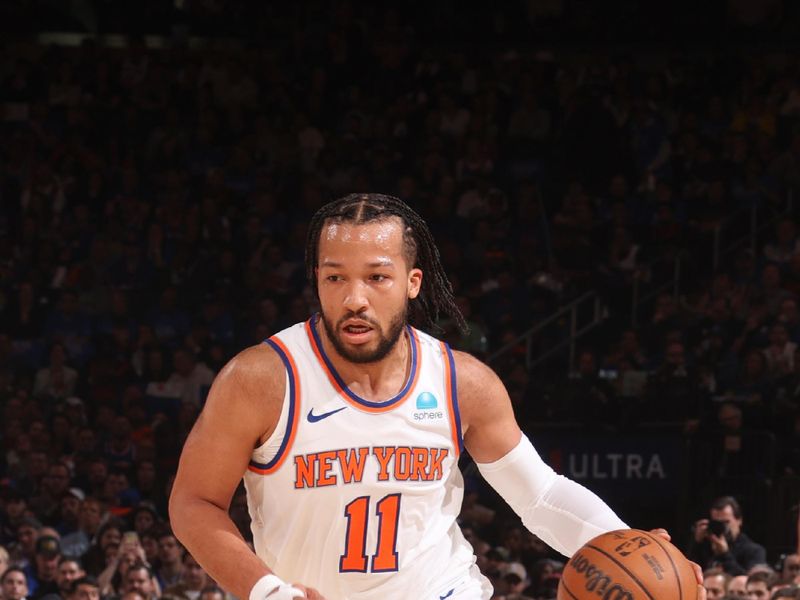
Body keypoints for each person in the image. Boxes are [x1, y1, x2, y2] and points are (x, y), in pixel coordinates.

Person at [169, 194, 704, 600]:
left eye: (377, 277)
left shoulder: (463, 382)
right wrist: (266, 591)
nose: (354, 298)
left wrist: (633, 544)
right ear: (317, 280)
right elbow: (194, 503)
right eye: (336, 278)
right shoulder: (262, 379)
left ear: (413, 282)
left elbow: (540, 497)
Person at [688, 496, 767, 576]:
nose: (721, 527)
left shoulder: (754, 551)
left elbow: (749, 583)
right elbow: (688, 571)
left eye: (726, 522)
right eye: (716, 523)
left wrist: (724, 554)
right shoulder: (706, 546)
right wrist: (697, 542)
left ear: (739, 520)